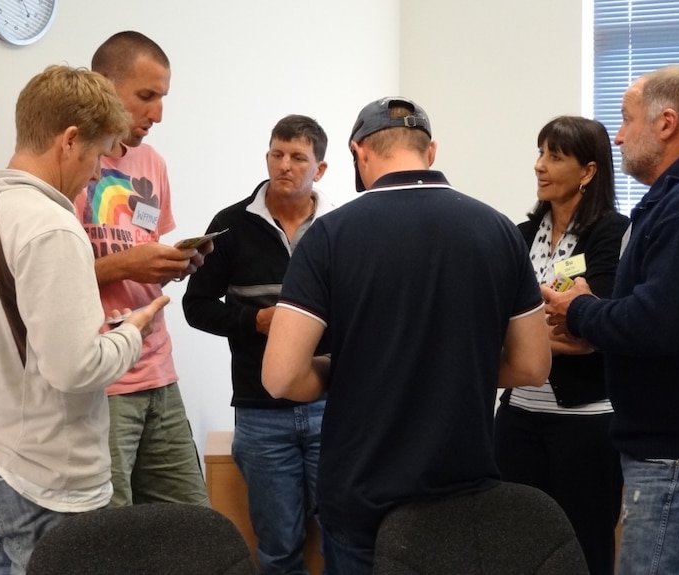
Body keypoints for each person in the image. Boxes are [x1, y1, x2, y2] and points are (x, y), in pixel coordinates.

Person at [261, 97, 552, 574]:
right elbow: (533, 366)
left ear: (360, 153)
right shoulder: (498, 230)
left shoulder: (330, 237)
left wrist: (346, 369)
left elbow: (280, 376)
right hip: (462, 489)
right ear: (431, 151)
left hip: (361, 494)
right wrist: (462, 366)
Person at [0, 64, 169, 574]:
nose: (97, 173)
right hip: (50, 483)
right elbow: (75, 370)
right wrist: (131, 333)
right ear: (69, 141)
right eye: (96, 155)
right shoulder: (52, 225)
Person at [542, 66, 679, 575]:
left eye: (625, 121)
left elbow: (658, 325)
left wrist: (579, 308)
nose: (617, 136)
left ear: (666, 123)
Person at [182, 114, 331, 574]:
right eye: (276, 154)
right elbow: (196, 306)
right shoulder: (229, 226)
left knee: (344, 535)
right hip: (260, 412)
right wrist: (255, 322)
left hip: (334, 407)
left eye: (298, 157)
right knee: (278, 547)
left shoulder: (338, 229)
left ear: (319, 170)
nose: (284, 165)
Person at [72, 31, 211, 507]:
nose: (157, 114)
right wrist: (125, 264)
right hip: (101, 382)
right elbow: (48, 281)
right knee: (110, 538)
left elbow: (143, 244)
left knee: (194, 528)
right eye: (146, 96)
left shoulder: (152, 161)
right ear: (104, 87)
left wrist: (170, 263)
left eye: (162, 98)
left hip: (158, 370)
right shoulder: (68, 162)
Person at [493, 116, 628, 575]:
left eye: (554, 156)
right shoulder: (519, 234)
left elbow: (595, 329)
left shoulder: (612, 233)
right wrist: (554, 328)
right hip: (517, 418)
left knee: (585, 548)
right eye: (540, 153)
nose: (539, 166)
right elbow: (495, 321)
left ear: (588, 171)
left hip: (585, 424)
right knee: (514, 545)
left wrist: (526, 336)